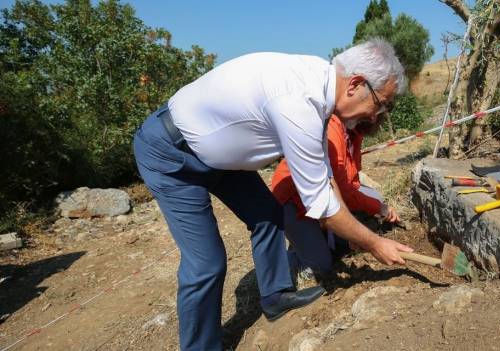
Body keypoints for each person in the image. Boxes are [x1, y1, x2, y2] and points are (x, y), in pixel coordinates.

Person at [132, 38, 414, 350]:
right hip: (172, 153)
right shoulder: (299, 101)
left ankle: (276, 296)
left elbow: (323, 179)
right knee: (207, 263)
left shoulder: (319, 90)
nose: (376, 116)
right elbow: (321, 204)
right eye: (380, 103)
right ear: (356, 84)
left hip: (217, 156)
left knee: (267, 214)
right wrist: (375, 243)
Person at [271, 114, 400, 276]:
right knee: (319, 266)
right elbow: (342, 193)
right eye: (380, 106)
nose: (377, 117)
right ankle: (277, 259)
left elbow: (352, 180)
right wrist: (376, 209)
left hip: (326, 195)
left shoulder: (354, 131)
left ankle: (323, 236)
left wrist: (356, 225)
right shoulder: (332, 130)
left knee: (374, 196)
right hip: (293, 201)